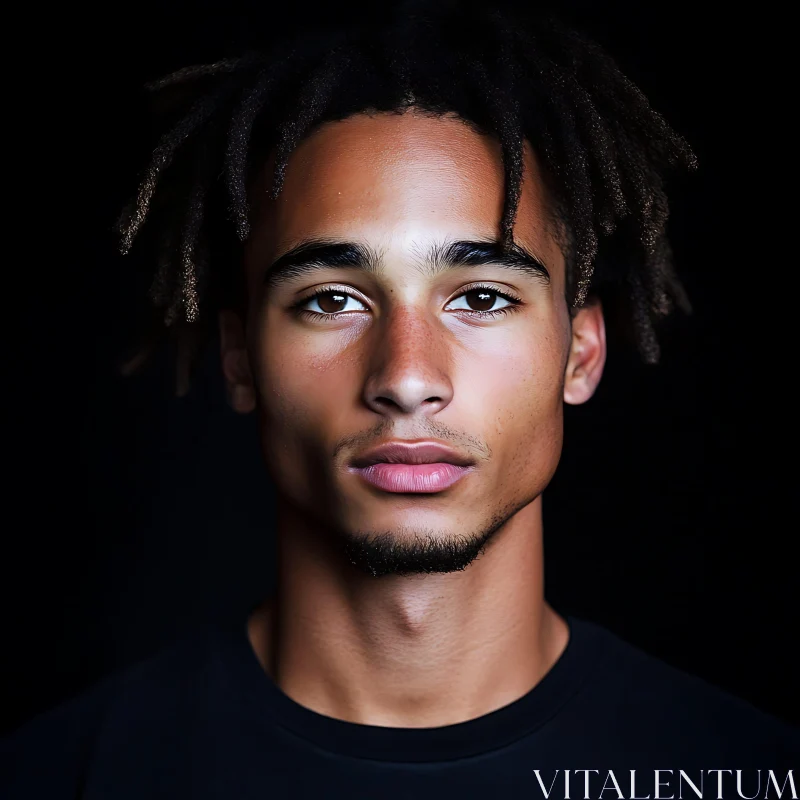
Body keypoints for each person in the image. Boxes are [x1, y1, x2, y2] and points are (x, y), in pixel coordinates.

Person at [3, 1, 797, 797]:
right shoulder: (63, 777)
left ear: (580, 352)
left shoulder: (744, 774)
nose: (407, 376)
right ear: (240, 357)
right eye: (333, 300)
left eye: (482, 298)